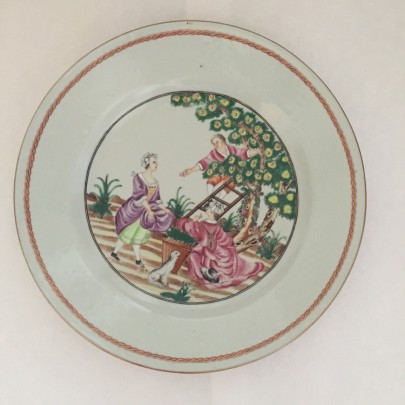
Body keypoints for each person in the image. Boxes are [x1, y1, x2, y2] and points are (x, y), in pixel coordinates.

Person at [176, 201, 264, 288]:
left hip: (213, 251)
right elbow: (227, 240)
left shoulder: (205, 225)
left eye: (208, 208)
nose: (206, 209)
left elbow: (190, 228)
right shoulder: (215, 226)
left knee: (196, 255)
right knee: (201, 253)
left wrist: (194, 220)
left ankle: (209, 274)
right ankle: (210, 272)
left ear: (211, 212)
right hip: (218, 251)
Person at [111, 153, 174, 268]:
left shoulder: (155, 181)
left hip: (147, 213)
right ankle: (114, 252)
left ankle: (138, 260)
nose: (156, 164)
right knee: (127, 233)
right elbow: (139, 195)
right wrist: (149, 210)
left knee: (138, 237)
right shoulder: (139, 177)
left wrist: (165, 209)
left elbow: (157, 199)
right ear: (147, 163)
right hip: (136, 210)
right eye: (154, 162)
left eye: (156, 162)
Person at [180, 133, 259, 195]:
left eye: (217, 142)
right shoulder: (213, 154)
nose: (215, 145)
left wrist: (257, 151)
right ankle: (210, 199)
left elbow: (244, 153)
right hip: (222, 173)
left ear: (223, 141)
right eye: (214, 144)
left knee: (232, 183)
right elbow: (205, 162)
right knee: (213, 179)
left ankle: (219, 203)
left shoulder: (232, 150)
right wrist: (191, 170)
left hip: (233, 174)